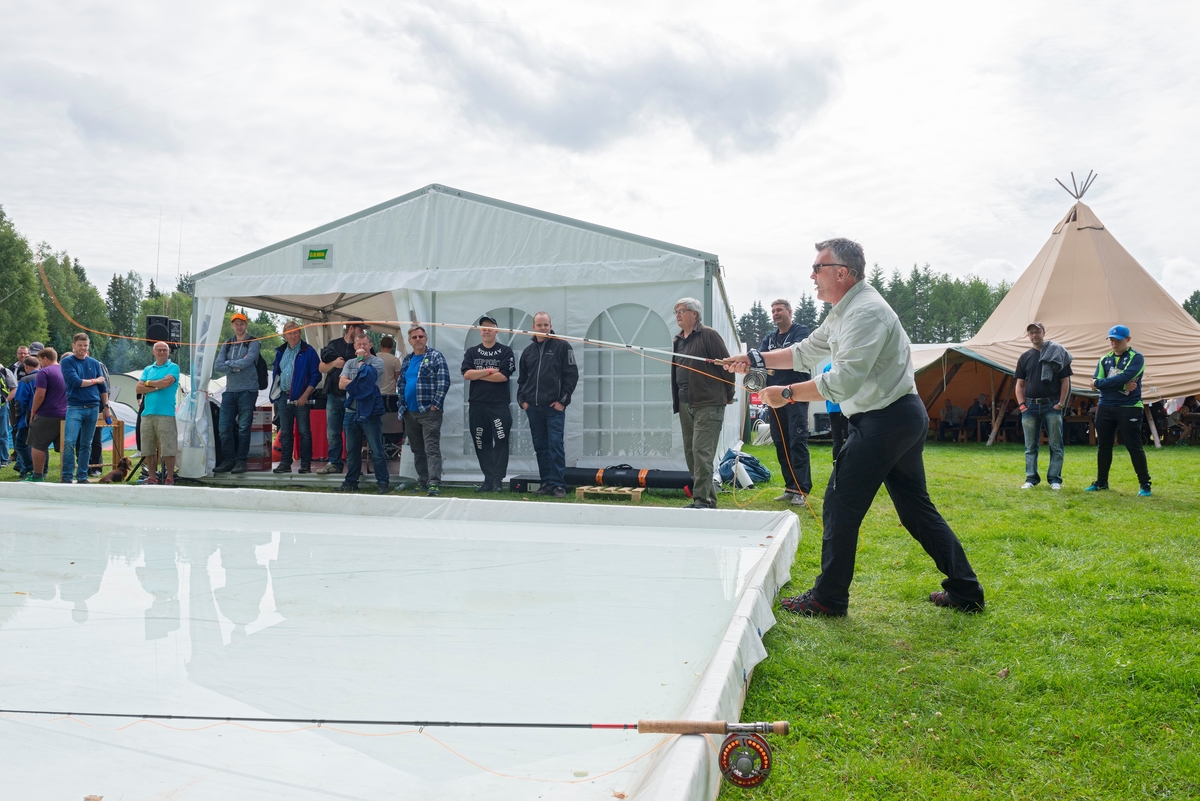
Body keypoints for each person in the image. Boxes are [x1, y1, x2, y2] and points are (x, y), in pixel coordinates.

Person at [723, 237, 985, 616]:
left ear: (841, 273)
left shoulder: (866, 313)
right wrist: (756, 358)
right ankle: (965, 589)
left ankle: (828, 599)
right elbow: (805, 350)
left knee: (840, 503)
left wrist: (785, 393)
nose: (812, 275)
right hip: (895, 416)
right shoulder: (845, 310)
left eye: (818, 268)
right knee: (915, 510)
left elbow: (842, 381)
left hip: (887, 419)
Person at [671, 298, 733, 509]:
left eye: (682, 310)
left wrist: (728, 394)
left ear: (694, 314)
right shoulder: (678, 340)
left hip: (708, 403)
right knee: (691, 453)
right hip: (684, 403)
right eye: (676, 311)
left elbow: (727, 366)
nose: (678, 314)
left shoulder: (708, 335)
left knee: (701, 452)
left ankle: (702, 500)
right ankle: (707, 499)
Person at [517, 312, 579, 499]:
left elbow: (572, 375)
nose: (543, 328)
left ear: (550, 325)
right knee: (541, 447)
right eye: (540, 325)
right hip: (533, 408)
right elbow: (522, 380)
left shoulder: (562, 346)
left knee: (556, 446)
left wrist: (563, 401)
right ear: (533, 327)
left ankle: (558, 485)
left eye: (546, 325)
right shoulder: (528, 352)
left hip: (553, 408)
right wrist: (522, 401)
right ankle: (545, 483)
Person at [1087, 325, 1152, 496]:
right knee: (1104, 446)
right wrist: (1121, 385)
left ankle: (1145, 484)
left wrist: (1101, 383)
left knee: (1134, 446)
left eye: (1118, 339)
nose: (1114, 342)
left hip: (1129, 407)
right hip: (1105, 406)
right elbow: (1097, 383)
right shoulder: (1104, 359)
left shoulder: (1136, 358)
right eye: (1111, 339)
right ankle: (1101, 482)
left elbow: (1121, 377)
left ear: (1128, 339)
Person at [760, 298, 812, 506]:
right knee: (781, 441)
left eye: (779, 309)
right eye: (773, 310)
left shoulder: (801, 332)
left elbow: (795, 354)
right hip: (774, 398)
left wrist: (772, 358)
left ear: (790, 312)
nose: (775, 313)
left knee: (797, 441)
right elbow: (761, 361)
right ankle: (790, 487)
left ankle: (801, 489)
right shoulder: (769, 338)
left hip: (795, 395)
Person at [462, 315, 517, 492]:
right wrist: (490, 370)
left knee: (500, 440)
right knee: (480, 441)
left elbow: (503, 376)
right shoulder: (471, 352)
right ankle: (488, 479)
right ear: (480, 331)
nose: (486, 331)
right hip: (477, 405)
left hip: (499, 405)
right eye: (483, 328)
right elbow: (467, 375)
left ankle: (498, 480)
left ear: (496, 331)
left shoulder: (506, 351)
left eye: (490, 327)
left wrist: (479, 373)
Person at [1014, 322, 1071, 489]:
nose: (1034, 335)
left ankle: (1055, 480)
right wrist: (1022, 405)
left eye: (1037, 332)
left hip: (1051, 404)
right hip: (1030, 406)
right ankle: (1031, 479)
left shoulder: (1057, 353)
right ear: (1028, 335)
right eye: (1031, 333)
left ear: (1043, 332)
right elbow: (1019, 384)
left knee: (1055, 444)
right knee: (1030, 446)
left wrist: (1061, 403)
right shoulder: (1024, 357)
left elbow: (1065, 380)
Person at [397, 325, 450, 496]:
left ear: (426, 338)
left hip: (429, 412)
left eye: (421, 336)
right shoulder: (407, 359)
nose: (418, 339)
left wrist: (436, 404)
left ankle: (434, 483)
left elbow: (444, 381)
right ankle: (422, 481)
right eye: (414, 337)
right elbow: (401, 383)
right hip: (410, 412)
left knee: (431, 448)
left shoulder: (435, 356)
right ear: (410, 341)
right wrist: (402, 405)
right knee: (417, 449)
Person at [336, 331, 390, 493]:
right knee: (352, 450)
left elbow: (367, 380)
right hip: (350, 411)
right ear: (354, 347)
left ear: (370, 345)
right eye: (358, 345)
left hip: (371, 412)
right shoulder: (348, 363)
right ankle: (351, 481)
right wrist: (359, 382)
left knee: (376, 449)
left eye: (364, 344)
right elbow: (340, 384)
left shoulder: (378, 362)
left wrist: (360, 363)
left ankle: (382, 482)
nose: (362, 348)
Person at [318, 317, 372, 475]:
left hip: (355, 396)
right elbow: (321, 367)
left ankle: (353, 467)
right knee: (333, 431)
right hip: (334, 394)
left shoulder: (365, 346)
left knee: (353, 432)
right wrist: (334, 364)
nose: (363, 332)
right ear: (351, 328)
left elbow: (372, 366)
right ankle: (334, 463)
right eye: (360, 329)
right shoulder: (334, 344)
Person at [214, 311, 262, 474]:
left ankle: (241, 461)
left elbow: (249, 360)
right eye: (236, 324)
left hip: (248, 390)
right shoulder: (227, 343)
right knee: (224, 428)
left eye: (242, 323)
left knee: (243, 427)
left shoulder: (253, 342)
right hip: (230, 390)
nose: (239, 326)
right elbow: (217, 365)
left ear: (246, 325)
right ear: (232, 326)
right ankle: (229, 459)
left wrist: (229, 365)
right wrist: (236, 365)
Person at [59, 333, 111, 484]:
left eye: (86, 346)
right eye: (80, 345)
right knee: (69, 441)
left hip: (93, 407)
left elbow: (103, 387)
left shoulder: (95, 363)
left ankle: (82, 476)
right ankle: (67, 476)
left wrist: (106, 406)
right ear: (73, 345)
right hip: (75, 407)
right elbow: (76, 382)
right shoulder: (67, 362)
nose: (83, 348)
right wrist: (95, 380)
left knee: (86, 443)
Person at [270, 320, 321, 475]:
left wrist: (306, 395)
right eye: (291, 333)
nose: (294, 335)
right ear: (285, 335)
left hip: (301, 398)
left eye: (297, 332)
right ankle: (285, 462)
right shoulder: (280, 351)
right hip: (283, 396)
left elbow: (316, 375)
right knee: (285, 431)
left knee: (304, 431)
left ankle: (305, 464)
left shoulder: (308, 350)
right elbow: (277, 373)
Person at [136, 342, 181, 486]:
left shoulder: (173, 367)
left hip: (166, 413)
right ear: (153, 352)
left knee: (169, 446)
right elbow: (138, 388)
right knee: (148, 447)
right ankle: (152, 477)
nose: (162, 352)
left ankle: (169, 477)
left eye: (165, 350)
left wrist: (148, 384)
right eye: (159, 350)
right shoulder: (148, 369)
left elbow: (167, 383)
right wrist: (157, 385)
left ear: (169, 353)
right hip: (148, 413)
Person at [24, 347, 66, 483]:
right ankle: (67, 474)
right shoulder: (65, 370)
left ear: (46, 359)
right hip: (65, 413)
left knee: (37, 445)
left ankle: (37, 476)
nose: (40, 363)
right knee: (65, 447)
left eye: (40, 360)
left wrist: (33, 411)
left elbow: (40, 395)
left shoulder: (44, 372)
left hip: (47, 413)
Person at [10, 355, 40, 478]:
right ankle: (41, 470)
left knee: (21, 445)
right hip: (44, 417)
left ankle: (28, 469)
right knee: (39, 445)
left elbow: (20, 401)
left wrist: (17, 417)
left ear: (26, 367)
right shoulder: (46, 377)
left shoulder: (25, 380)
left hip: (27, 418)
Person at [823, 363, 848, 465]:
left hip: (832, 408)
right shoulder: (843, 364)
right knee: (850, 437)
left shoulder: (827, 367)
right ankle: (848, 462)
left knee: (837, 439)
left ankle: (836, 464)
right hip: (844, 407)